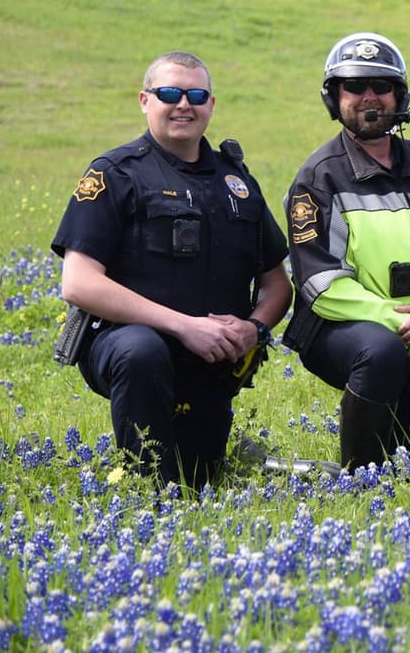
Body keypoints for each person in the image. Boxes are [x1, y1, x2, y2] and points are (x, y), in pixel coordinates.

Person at [52, 51, 292, 488]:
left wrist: (253, 330)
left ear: (211, 106)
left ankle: (194, 465)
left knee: (199, 476)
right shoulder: (115, 173)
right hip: (127, 345)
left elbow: (277, 284)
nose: (184, 104)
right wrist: (183, 327)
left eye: (197, 95)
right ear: (145, 100)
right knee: (142, 354)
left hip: (212, 359)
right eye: (169, 93)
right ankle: (141, 484)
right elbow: (79, 283)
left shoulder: (236, 182)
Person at [283, 32, 410, 470]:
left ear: (399, 95)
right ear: (334, 97)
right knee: (382, 352)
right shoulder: (319, 179)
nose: (368, 97)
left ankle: (379, 470)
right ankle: (356, 475)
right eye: (354, 87)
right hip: (341, 329)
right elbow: (320, 283)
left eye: (381, 86)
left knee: (408, 461)